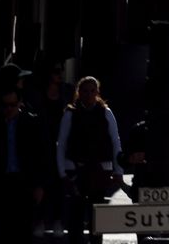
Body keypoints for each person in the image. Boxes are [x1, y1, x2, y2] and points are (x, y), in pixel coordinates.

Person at [55, 76, 122, 235]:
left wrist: (118, 170)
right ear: (79, 92)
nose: (88, 94)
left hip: (99, 171)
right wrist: (62, 172)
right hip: (75, 170)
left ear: (97, 92)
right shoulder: (70, 114)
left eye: (92, 90)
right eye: (84, 91)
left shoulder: (106, 113)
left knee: (97, 218)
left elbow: (115, 141)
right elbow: (61, 144)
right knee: (76, 217)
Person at [0, 79, 51, 244]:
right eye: (5, 105)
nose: (9, 109)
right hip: (2, 181)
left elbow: (43, 155)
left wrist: (39, 185)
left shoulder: (32, 123)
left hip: (24, 181)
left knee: (24, 230)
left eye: (13, 105)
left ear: (20, 103)